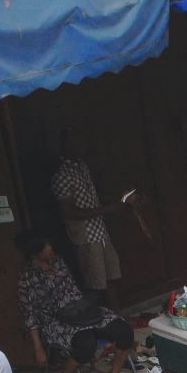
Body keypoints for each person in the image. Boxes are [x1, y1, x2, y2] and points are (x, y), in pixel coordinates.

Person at [14, 231, 136, 373]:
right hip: (57, 321)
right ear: (36, 253)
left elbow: (74, 292)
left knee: (123, 331)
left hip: (81, 311)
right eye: (47, 248)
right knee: (86, 344)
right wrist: (38, 348)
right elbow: (29, 315)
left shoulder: (59, 263)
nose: (52, 250)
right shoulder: (27, 278)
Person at [50, 128, 131, 302]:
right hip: (85, 237)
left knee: (111, 277)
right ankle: (102, 322)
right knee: (95, 283)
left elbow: (94, 197)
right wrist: (108, 209)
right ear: (66, 145)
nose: (83, 146)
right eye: (78, 143)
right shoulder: (62, 175)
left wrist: (120, 199)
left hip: (100, 232)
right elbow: (69, 212)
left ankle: (118, 319)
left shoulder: (82, 167)